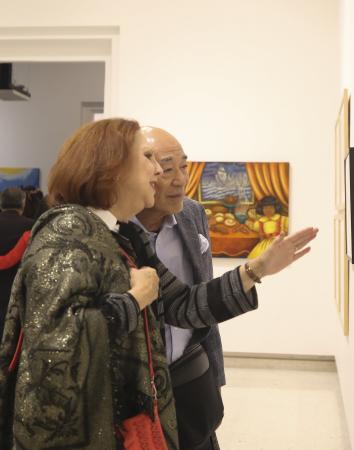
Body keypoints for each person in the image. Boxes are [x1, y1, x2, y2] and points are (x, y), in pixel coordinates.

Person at [0, 118, 318, 450]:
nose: (159, 172)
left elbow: (182, 305)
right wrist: (135, 299)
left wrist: (257, 269)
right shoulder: (66, 235)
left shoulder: (124, 235)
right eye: (148, 159)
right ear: (112, 170)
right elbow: (56, 348)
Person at [134, 127, 224, 450]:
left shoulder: (192, 214)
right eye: (167, 168)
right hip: (138, 392)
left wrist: (215, 376)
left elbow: (202, 301)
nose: (180, 180)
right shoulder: (117, 230)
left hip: (191, 377)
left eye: (184, 167)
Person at [0, 188, 34, 390]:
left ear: (0, 204)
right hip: (23, 293)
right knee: (18, 342)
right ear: (23, 204)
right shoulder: (32, 226)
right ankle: (14, 383)